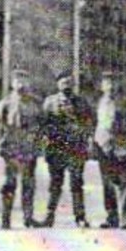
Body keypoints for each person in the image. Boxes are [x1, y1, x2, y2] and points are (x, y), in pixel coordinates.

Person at [41, 70, 95, 228]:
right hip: (56, 148)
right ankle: (49, 216)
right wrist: (45, 143)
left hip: (75, 148)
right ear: (57, 84)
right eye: (63, 82)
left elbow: (88, 123)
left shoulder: (81, 102)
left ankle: (80, 217)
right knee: (55, 184)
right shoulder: (50, 102)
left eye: (69, 83)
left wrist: (87, 140)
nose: (66, 86)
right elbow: (43, 125)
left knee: (76, 183)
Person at [0, 68, 45, 229]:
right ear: (12, 83)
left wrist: (39, 143)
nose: (20, 84)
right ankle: (5, 218)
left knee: (28, 184)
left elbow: (42, 126)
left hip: (29, 149)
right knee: (9, 183)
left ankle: (28, 218)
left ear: (29, 82)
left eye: (24, 80)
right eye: (17, 80)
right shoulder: (5, 103)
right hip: (12, 150)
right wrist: (0, 144)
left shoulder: (36, 103)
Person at [93, 73, 126, 229]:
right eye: (106, 83)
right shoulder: (97, 103)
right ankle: (111, 217)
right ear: (102, 86)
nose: (110, 86)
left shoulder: (125, 103)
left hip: (120, 146)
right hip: (103, 146)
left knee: (124, 182)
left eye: (113, 83)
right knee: (108, 183)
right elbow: (93, 123)